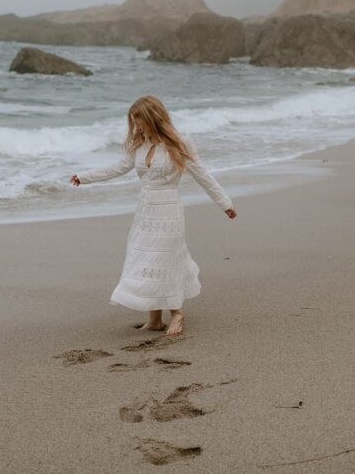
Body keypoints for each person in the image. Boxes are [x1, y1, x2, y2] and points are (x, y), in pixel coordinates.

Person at [69, 95, 236, 340]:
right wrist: (84, 177)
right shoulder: (139, 145)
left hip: (169, 211)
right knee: (146, 259)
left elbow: (203, 174)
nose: (136, 127)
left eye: (140, 122)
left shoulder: (180, 143)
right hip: (146, 212)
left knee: (167, 259)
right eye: (133, 122)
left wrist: (225, 203)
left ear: (153, 118)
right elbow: (116, 168)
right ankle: (155, 319)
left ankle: (177, 313)